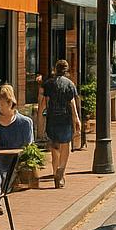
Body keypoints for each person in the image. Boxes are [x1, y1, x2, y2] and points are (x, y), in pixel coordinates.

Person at [38, 59, 81, 188]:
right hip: (65, 118)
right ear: (66, 70)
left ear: (55, 69)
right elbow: (72, 103)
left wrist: (40, 119)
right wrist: (76, 119)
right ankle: (61, 170)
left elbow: (44, 103)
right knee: (66, 143)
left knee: (54, 146)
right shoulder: (69, 84)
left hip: (52, 118)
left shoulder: (49, 84)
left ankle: (55, 170)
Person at [0, 84, 33, 192]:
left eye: (2, 104)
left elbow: (28, 148)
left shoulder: (25, 123)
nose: (0, 108)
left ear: (10, 102)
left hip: (15, 164)